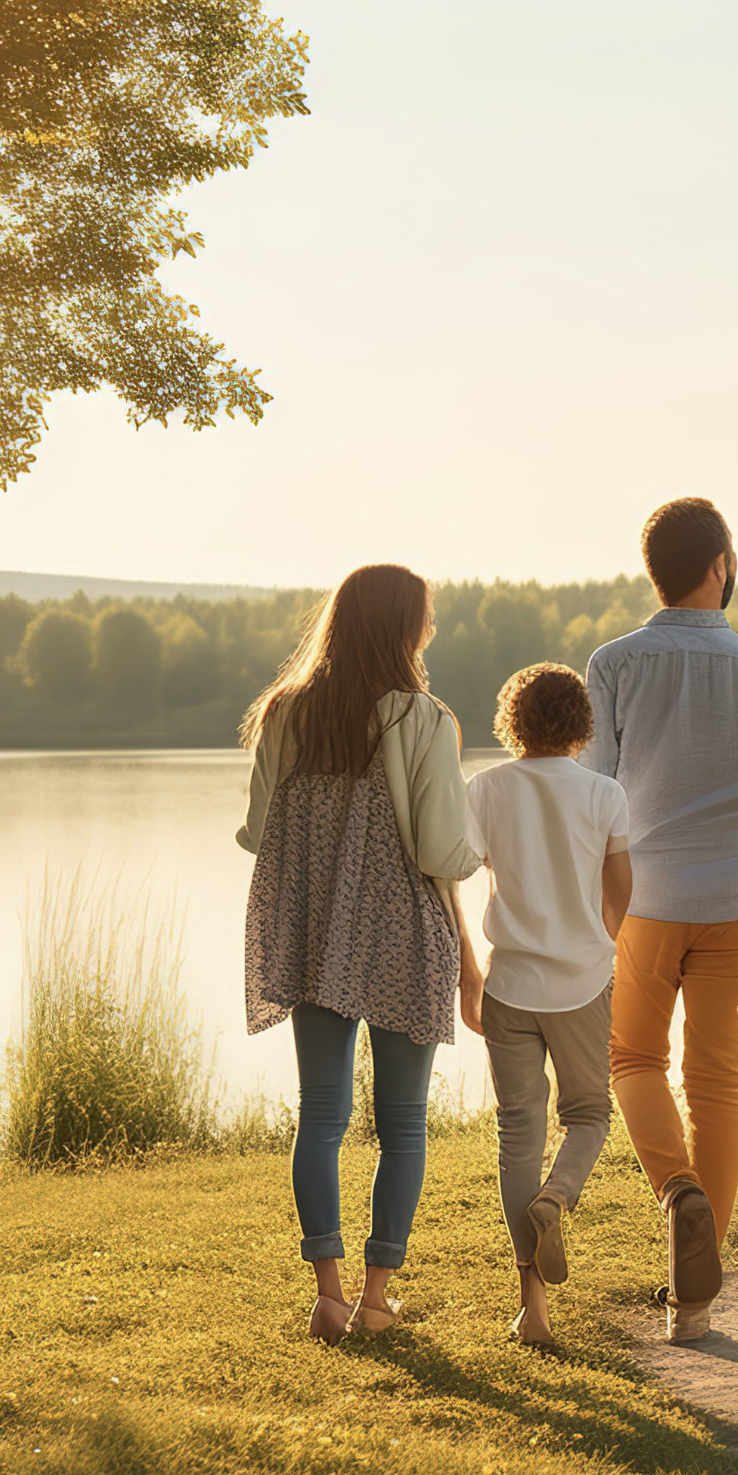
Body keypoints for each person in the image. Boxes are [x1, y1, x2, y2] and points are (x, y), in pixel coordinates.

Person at [236, 563, 482, 1345]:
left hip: (313, 931)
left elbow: (257, 831)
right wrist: (478, 847)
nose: (432, 630)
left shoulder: (285, 712)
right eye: (426, 618)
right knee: (403, 1123)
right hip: (403, 930)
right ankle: (378, 1300)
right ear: (403, 627)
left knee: (323, 1115)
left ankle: (328, 1296)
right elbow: (444, 848)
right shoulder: (421, 717)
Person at [585, 497, 738, 1341]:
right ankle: (695, 1307)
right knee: (718, 1084)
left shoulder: (614, 664)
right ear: (719, 565)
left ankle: (676, 1191)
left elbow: (600, 788)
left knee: (634, 1055)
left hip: (646, 898)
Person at [458, 662, 632, 1344]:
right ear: (582, 724)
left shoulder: (487, 789)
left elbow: (465, 867)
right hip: (582, 986)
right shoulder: (605, 794)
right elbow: (622, 896)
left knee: (516, 1139)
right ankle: (558, 1196)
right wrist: (596, 944)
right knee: (589, 1115)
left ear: (514, 722)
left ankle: (533, 1309)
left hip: (508, 987)